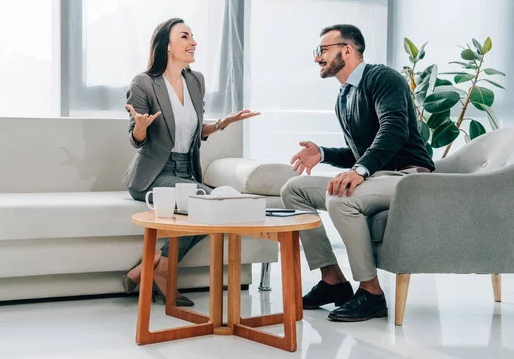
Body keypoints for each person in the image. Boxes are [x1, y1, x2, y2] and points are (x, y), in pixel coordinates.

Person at [281, 24, 434, 322]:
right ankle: (333, 280)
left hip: (409, 179)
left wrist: (361, 169)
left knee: (341, 198)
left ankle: (372, 293)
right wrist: (323, 154)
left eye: (323, 50)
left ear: (347, 50)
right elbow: (359, 152)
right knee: (293, 189)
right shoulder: (344, 97)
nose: (317, 59)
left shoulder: (382, 78)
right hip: (378, 177)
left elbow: (394, 129)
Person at [122, 18, 259, 307]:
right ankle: (163, 272)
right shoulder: (145, 83)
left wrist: (223, 123)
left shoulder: (195, 81)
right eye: (185, 36)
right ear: (167, 46)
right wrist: (141, 126)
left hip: (187, 170)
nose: (193, 42)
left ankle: (149, 268)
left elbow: (195, 131)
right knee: (211, 203)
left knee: (219, 204)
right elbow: (136, 139)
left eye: (193, 36)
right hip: (154, 175)